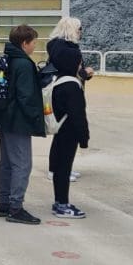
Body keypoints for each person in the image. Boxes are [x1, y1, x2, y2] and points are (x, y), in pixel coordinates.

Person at [0, 24, 46, 224]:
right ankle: (16, 207)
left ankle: (4, 203)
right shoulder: (23, 64)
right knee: (22, 164)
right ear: (25, 43)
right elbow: (26, 96)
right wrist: (36, 118)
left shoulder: (9, 59)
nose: (34, 47)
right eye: (33, 43)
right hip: (18, 121)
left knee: (6, 163)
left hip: (4, 119)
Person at [46, 17, 95, 182]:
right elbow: (69, 73)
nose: (81, 32)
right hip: (67, 93)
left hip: (60, 92)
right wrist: (85, 73)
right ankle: (59, 170)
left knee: (62, 133)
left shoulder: (56, 46)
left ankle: (60, 168)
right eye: (80, 28)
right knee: (66, 133)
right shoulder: (67, 50)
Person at [47, 46, 89, 219]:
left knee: (59, 167)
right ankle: (62, 204)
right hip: (69, 131)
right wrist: (84, 137)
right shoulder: (72, 85)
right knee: (64, 167)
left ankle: (59, 201)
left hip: (60, 129)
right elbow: (78, 113)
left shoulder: (58, 80)